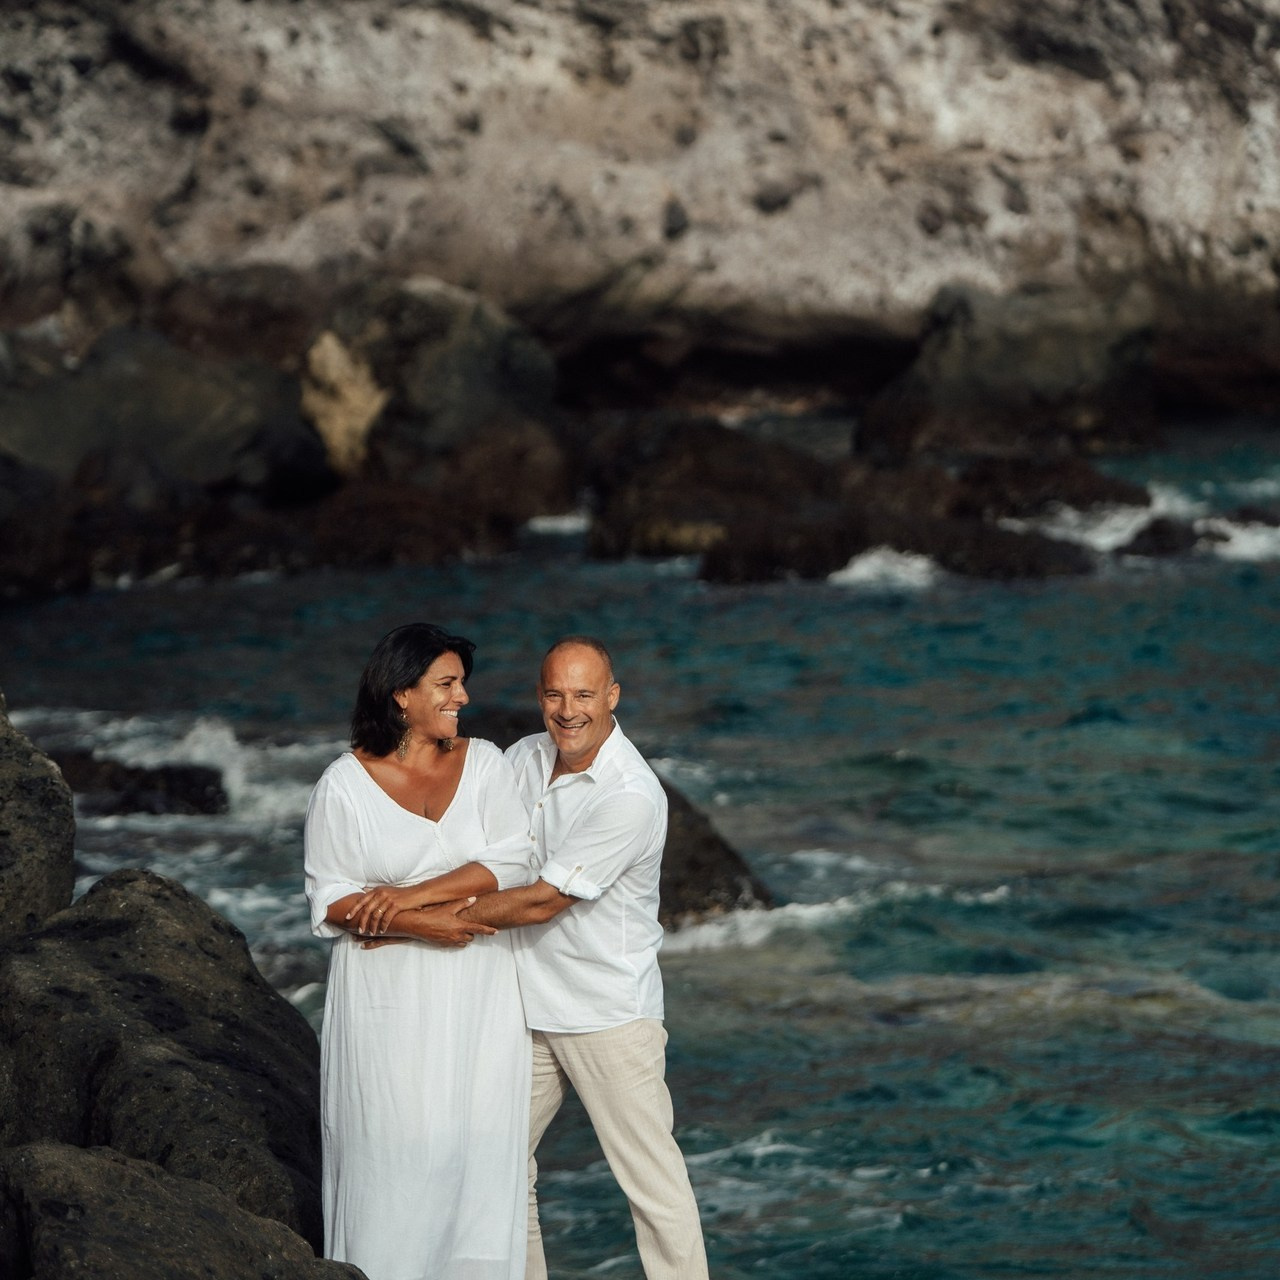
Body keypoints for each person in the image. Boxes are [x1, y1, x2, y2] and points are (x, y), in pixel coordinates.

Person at [454, 636, 709, 1280]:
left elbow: (542, 902)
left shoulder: (630, 794)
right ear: (540, 697)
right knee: (498, 1164)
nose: (569, 710)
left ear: (612, 697)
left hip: (608, 1014)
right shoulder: (523, 758)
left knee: (653, 1188)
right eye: (555, 695)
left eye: (584, 695)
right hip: (528, 1008)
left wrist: (427, 919)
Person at [303, 623, 534, 1280]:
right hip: (386, 1004)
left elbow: (511, 860)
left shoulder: (486, 762)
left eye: (462, 682)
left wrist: (406, 900)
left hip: (481, 1000)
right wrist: (420, 927)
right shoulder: (343, 786)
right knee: (392, 1156)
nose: (462, 697)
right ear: (402, 694)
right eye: (447, 684)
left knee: (476, 1154)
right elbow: (331, 901)